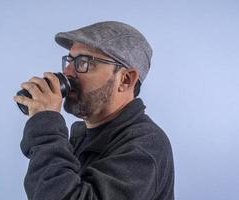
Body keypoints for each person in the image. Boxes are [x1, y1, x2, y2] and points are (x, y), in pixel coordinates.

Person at [13, 21, 174, 200]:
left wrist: (46, 126)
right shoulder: (80, 135)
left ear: (126, 80)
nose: (67, 72)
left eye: (84, 62)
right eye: (70, 60)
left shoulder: (146, 145)